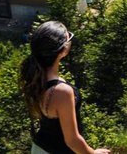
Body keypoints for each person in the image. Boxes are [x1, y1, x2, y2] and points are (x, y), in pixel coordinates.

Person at [19, 21, 110, 154]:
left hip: (40, 148)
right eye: (69, 39)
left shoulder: (35, 77)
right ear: (63, 50)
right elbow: (72, 140)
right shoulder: (61, 91)